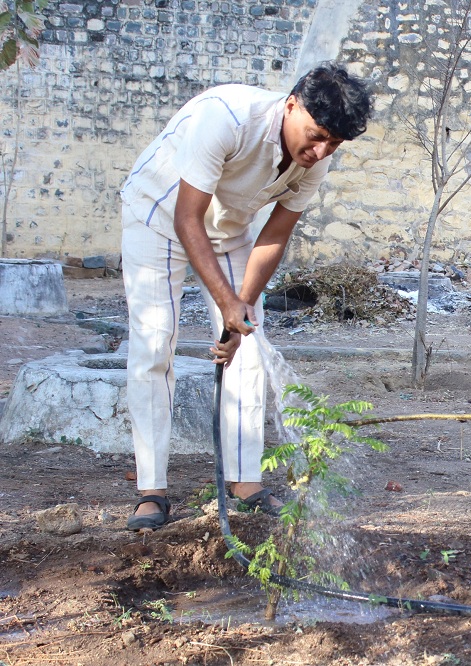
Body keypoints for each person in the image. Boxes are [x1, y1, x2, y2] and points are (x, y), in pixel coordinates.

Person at [120, 62, 373, 531]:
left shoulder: (316, 159)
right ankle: (151, 490)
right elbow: (186, 220)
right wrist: (225, 300)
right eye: (316, 136)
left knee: (251, 348)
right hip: (159, 216)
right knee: (156, 345)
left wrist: (240, 313)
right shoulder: (227, 118)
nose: (320, 152)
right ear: (291, 104)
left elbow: (275, 235)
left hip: (229, 228)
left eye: (333, 144)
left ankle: (244, 481)